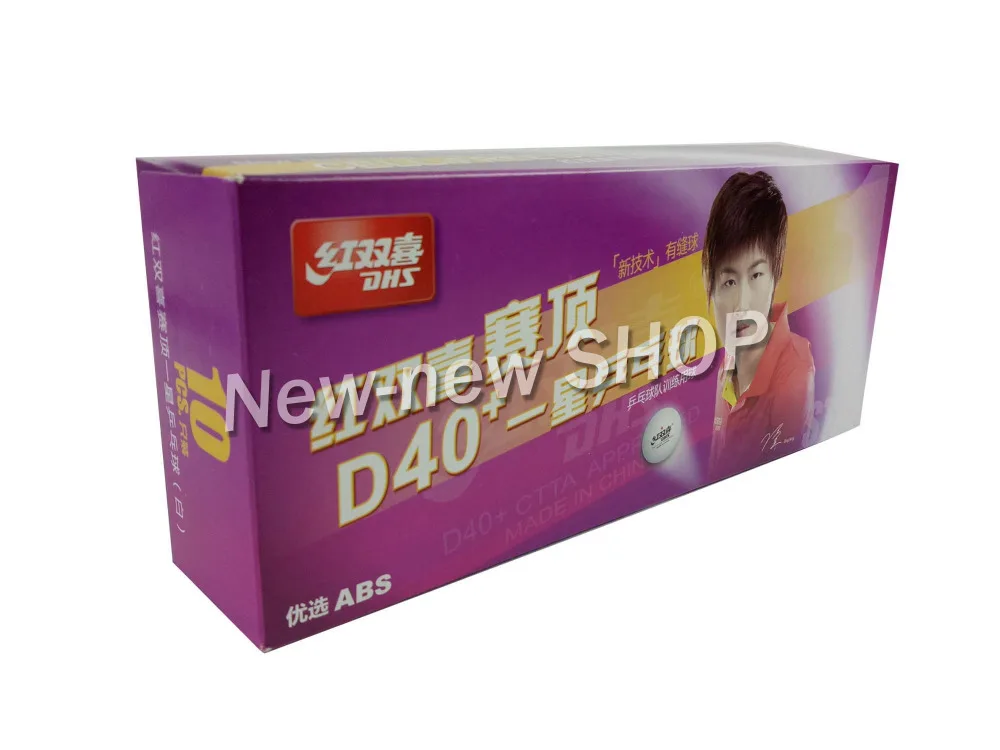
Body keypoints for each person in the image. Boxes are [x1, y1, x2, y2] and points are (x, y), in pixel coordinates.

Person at [703, 171, 815, 480]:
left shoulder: (794, 369)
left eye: (756, 276)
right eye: (728, 281)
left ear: (776, 275)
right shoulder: (727, 364)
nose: (741, 304)